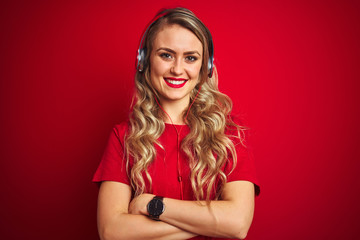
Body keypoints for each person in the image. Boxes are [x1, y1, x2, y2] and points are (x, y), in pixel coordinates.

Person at [93, 7, 260, 240]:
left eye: (191, 58)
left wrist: (152, 204)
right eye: (166, 55)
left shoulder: (230, 136)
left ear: (206, 67)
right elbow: (112, 232)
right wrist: (211, 223)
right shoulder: (123, 137)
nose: (178, 69)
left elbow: (238, 224)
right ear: (144, 60)